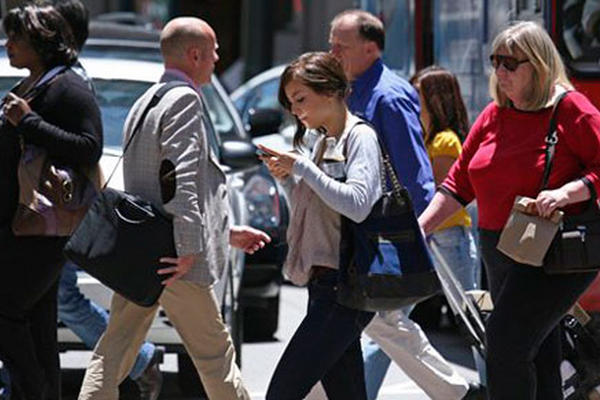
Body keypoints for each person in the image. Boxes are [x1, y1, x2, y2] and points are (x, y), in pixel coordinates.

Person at [77, 17, 269, 400]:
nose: (218, 58)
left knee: (113, 351)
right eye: (213, 51)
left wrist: (227, 234)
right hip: (177, 259)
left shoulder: (146, 100)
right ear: (194, 54)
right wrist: (188, 249)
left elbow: (156, 184)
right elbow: (177, 177)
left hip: (146, 251)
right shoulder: (184, 100)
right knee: (216, 356)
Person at [419, 21, 600, 399]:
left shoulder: (571, 109)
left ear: (538, 64)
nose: (500, 72)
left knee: (504, 345)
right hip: (500, 250)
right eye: (495, 62)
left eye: (510, 63)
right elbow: (457, 185)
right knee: (540, 353)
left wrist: (567, 192)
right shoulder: (492, 115)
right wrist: (421, 227)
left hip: (554, 251)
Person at [328, 9, 474, 400]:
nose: (332, 52)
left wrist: (416, 236)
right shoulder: (351, 91)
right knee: (381, 328)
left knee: (388, 326)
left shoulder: (388, 97)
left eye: (341, 46)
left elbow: (416, 174)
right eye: (331, 44)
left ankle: (462, 392)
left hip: (384, 235)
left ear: (371, 49)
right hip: (357, 232)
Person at [53, 1, 166, 398]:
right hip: (42, 211)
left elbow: (87, 149)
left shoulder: (72, 84)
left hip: (68, 210)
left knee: (62, 300)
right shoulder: (48, 79)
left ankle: (141, 359)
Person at [260, 51, 381, 400]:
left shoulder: (360, 138)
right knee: (347, 391)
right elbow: (311, 206)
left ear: (329, 90)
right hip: (324, 284)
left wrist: (302, 169)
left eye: (301, 99)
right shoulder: (323, 140)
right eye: (290, 103)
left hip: (345, 286)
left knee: (283, 390)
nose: (296, 110)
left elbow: (357, 205)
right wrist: (288, 179)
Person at [0, 4, 102, 399]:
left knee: (6, 312)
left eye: (16, 38)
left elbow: (89, 148)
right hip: (19, 225)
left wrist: (28, 122)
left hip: (41, 229)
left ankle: (32, 389)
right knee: (39, 325)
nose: (8, 44)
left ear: (41, 43)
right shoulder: (35, 84)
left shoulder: (68, 88)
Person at [409, 66, 479, 291]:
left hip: (447, 234)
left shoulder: (445, 141)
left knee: (467, 307)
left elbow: (441, 192)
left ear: (435, 98)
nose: (411, 96)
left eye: (418, 91)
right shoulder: (427, 139)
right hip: (433, 233)